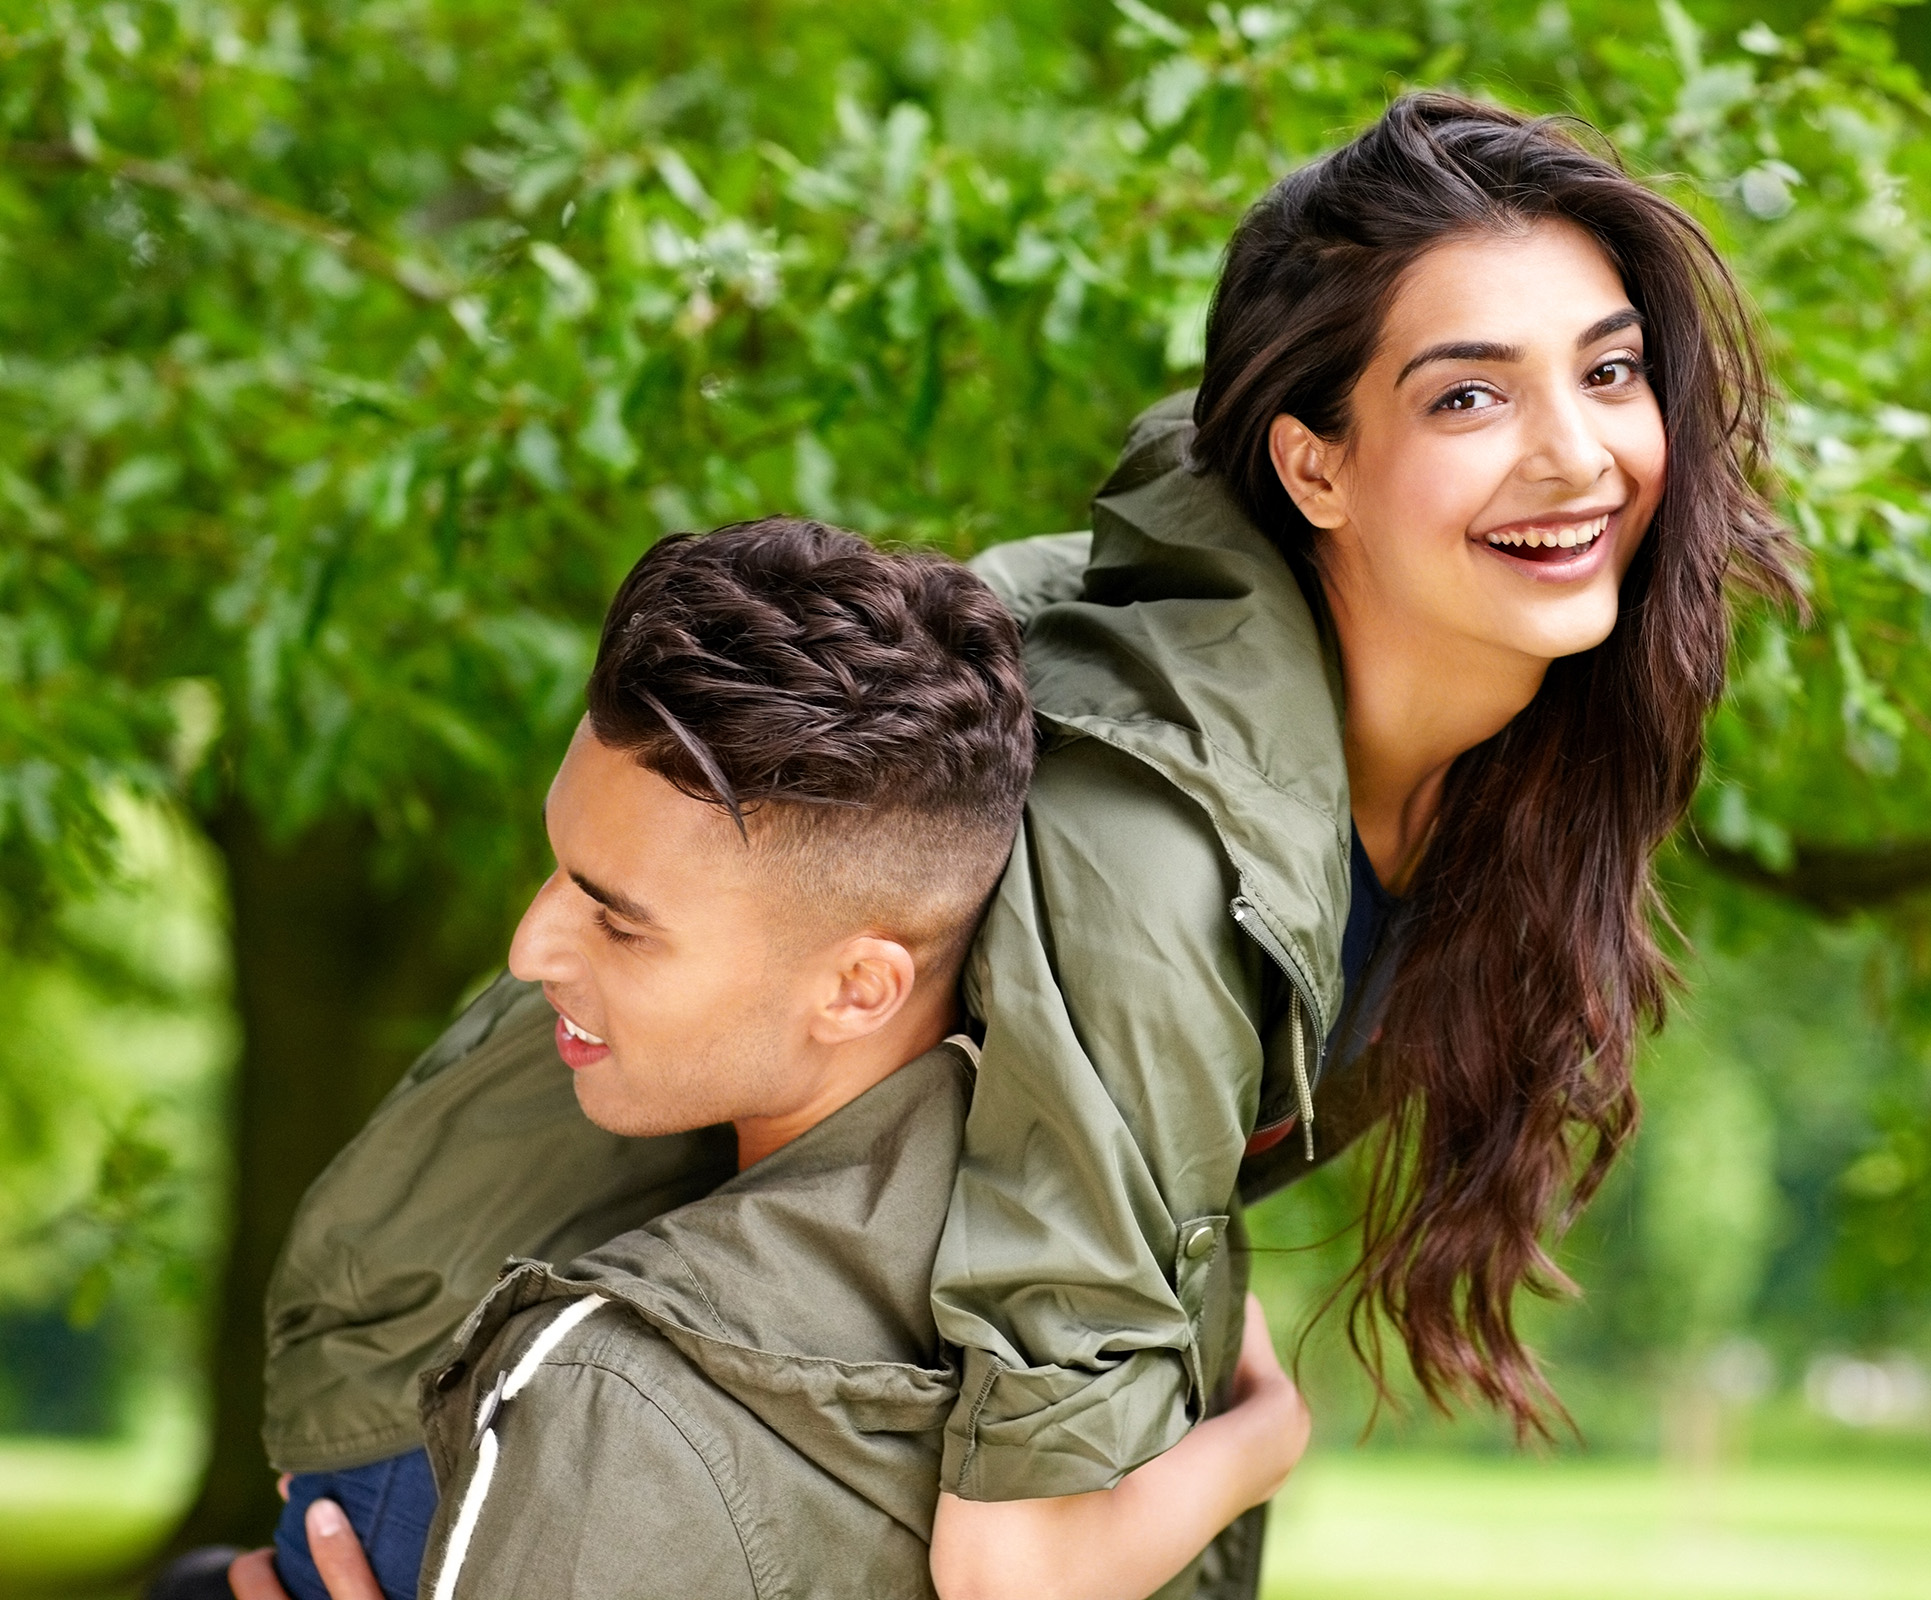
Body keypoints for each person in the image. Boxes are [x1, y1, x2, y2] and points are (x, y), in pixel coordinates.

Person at [232, 92, 1798, 1600]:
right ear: (1312, 462)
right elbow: (1021, 1567)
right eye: (1469, 395)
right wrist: (1266, 1435)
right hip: (501, 1401)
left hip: (724, 1394)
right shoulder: (1157, 844)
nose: (1579, 456)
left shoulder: (1458, 761)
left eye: (1610, 372)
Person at [214, 520, 1309, 1600]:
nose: (529, 949)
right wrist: (1260, 1438)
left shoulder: (616, 1413)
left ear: (858, 986)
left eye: (619, 921)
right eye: (561, 870)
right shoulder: (1125, 1244)